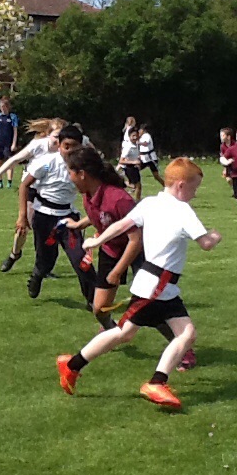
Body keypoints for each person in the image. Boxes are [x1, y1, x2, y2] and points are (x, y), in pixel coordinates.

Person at [56, 157, 222, 410]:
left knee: (158, 333)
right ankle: (150, 381)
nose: (194, 195)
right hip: (157, 287)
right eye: (194, 189)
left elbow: (121, 225)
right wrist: (215, 235)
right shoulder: (182, 210)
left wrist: (96, 242)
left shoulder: (150, 203)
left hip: (159, 285)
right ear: (180, 185)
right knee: (132, 332)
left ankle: (75, 365)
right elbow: (206, 244)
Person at [64, 146, 198, 369]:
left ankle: (182, 348)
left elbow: (136, 238)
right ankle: (112, 333)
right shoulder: (89, 195)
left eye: (70, 172)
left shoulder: (118, 199)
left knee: (152, 304)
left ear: (82, 174)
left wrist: (119, 270)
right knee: (99, 309)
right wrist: (80, 224)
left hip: (140, 252)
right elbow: (99, 216)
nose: (68, 178)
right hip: (111, 250)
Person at [17, 125, 96, 305]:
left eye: (74, 147)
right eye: (66, 146)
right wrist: (22, 216)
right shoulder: (47, 163)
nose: (69, 151)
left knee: (80, 259)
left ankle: (94, 301)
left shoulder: (84, 167)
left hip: (68, 218)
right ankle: (38, 274)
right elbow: (24, 186)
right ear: (59, 145)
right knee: (46, 259)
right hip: (44, 217)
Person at [0, 117, 67, 272]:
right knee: (24, 227)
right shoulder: (38, 145)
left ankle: (42, 267)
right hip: (30, 189)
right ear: (48, 134)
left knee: (45, 229)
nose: (60, 141)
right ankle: (15, 254)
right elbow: (14, 160)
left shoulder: (66, 148)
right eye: (56, 136)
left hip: (49, 193)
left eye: (62, 137)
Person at [0, 96, 19, 189]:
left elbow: (15, 131)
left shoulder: (13, 117)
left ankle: (9, 182)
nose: (2, 108)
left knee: (9, 161)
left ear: (7, 107)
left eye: (4, 106)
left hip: (8, 142)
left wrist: (14, 143)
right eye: (1, 107)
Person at [136, 123, 164, 187]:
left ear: (143, 130)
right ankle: (135, 185)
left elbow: (145, 143)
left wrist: (138, 142)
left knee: (156, 176)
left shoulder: (147, 135)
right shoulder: (141, 137)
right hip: (144, 159)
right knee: (136, 170)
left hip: (150, 159)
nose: (139, 131)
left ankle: (165, 185)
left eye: (140, 130)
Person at [119, 127, 143, 201]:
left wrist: (138, 161)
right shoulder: (128, 147)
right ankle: (137, 201)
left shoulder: (136, 145)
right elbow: (121, 161)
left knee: (137, 186)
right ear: (129, 136)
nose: (135, 137)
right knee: (138, 186)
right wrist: (133, 162)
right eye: (133, 136)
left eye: (136, 135)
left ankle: (136, 200)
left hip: (134, 167)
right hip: (129, 168)